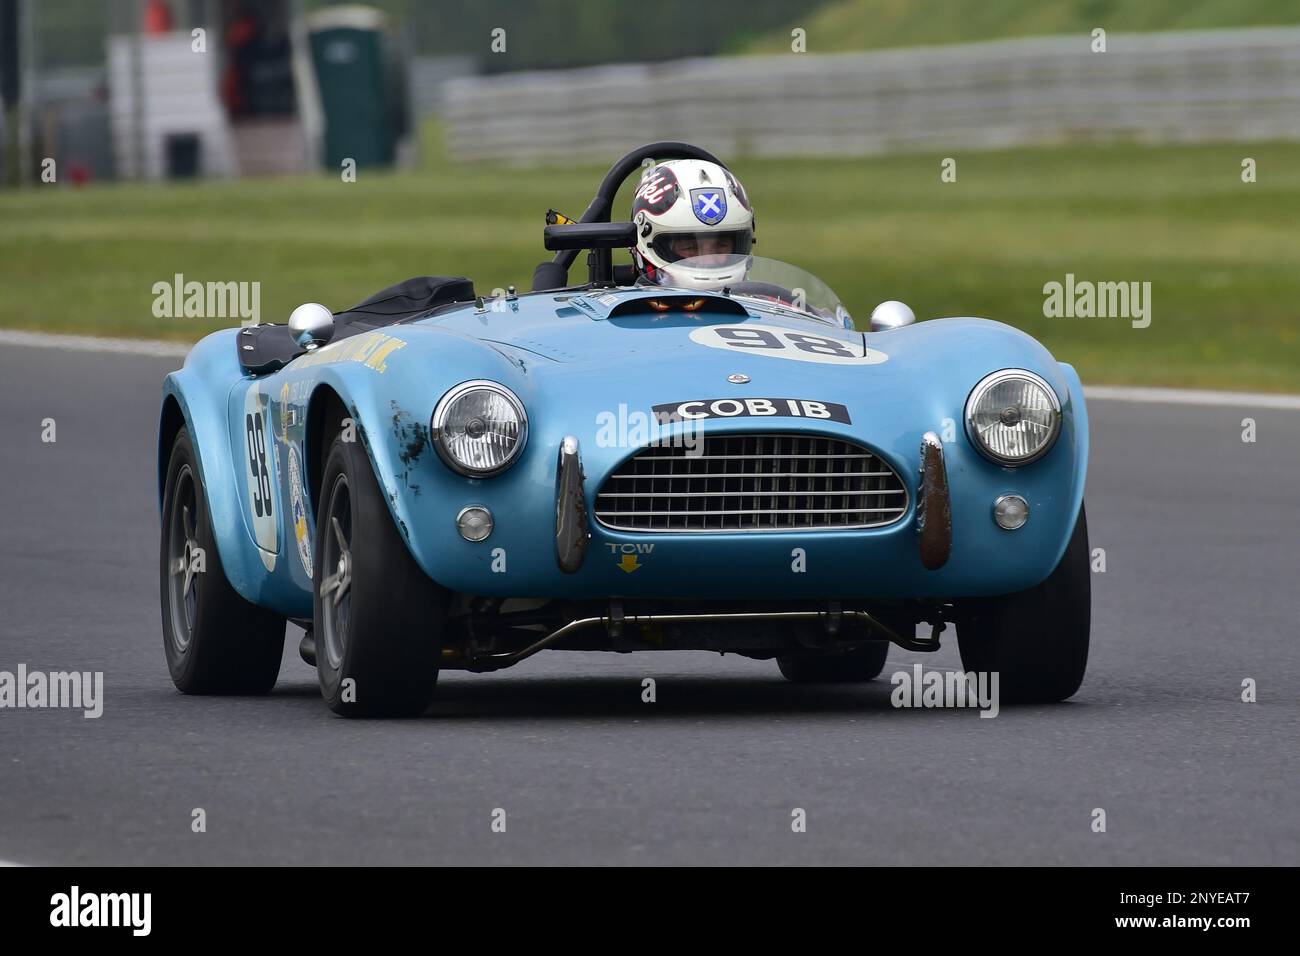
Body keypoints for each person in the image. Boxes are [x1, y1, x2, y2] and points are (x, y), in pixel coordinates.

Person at [629, 159, 755, 290]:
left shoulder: (764, 305)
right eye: (689, 248)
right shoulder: (622, 310)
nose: (708, 262)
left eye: (720, 246)